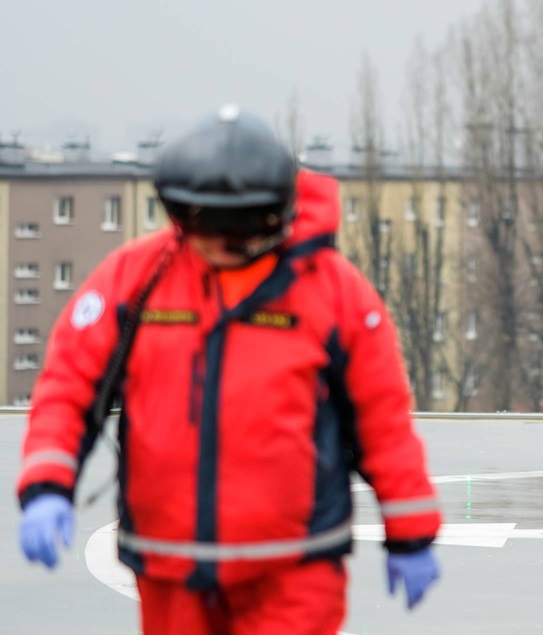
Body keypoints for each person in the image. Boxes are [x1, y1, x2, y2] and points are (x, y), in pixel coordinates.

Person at [17, 105, 442, 634]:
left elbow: (381, 420)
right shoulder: (137, 278)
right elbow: (69, 386)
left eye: (242, 228)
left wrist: (412, 531)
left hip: (294, 569)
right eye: (207, 225)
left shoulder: (332, 291)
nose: (223, 243)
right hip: (170, 566)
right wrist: (47, 485)